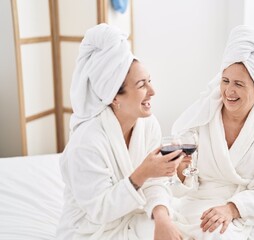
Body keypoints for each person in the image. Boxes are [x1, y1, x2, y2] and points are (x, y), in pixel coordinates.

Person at [56, 23, 183, 240]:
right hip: (92, 230)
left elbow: (155, 182)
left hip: (134, 216)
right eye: (142, 85)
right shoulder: (86, 142)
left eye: (149, 81)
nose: (153, 91)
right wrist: (142, 172)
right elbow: (100, 210)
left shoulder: (148, 124)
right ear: (114, 97)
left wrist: (162, 220)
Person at [171, 25, 254, 240]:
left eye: (239, 84)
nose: (229, 91)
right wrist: (181, 170)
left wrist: (232, 208)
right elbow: (185, 178)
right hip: (203, 200)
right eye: (225, 81)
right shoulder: (202, 117)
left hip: (253, 206)